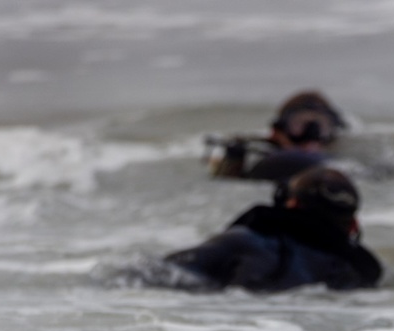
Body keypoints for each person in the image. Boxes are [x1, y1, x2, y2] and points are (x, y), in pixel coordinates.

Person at [158, 166, 382, 292]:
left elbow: (157, 274)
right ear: (352, 225)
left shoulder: (243, 242)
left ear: (291, 204)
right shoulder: (359, 272)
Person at [205, 90, 347, 182]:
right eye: (298, 125)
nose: (311, 134)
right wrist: (233, 161)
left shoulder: (343, 156)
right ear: (277, 131)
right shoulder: (259, 154)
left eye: (320, 126)